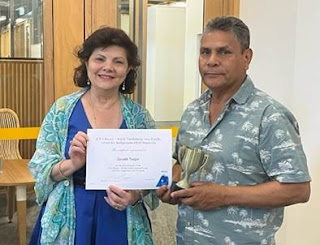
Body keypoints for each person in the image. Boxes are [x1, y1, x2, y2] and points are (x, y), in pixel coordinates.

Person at [157, 16, 311, 244]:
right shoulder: (193, 111)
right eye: (205, 52)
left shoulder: (269, 115)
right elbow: (181, 164)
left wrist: (223, 195)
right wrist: (172, 187)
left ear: (246, 57)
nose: (212, 61)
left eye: (224, 52)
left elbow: (298, 189)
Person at [29, 26, 158, 245]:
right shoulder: (62, 110)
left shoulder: (139, 117)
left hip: (119, 213)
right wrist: (72, 164)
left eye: (118, 61)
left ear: (128, 70)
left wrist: (135, 195)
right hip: (71, 211)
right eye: (100, 59)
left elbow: (154, 172)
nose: (108, 67)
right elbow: (41, 167)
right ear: (87, 63)